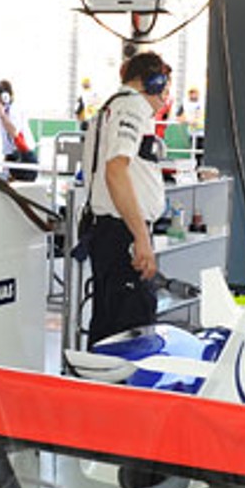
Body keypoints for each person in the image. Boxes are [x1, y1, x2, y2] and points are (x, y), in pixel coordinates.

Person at [80, 50, 171, 347]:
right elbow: (116, 170)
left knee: (108, 330)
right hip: (123, 234)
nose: (166, 97)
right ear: (153, 82)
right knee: (132, 333)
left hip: (110, 232)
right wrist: (141, 237)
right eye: (164, 87)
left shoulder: (110, 108)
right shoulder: (132, 107)